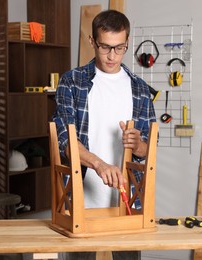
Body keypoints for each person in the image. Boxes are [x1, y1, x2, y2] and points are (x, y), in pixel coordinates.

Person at [53, 9, 156, 260]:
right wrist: (99, 164)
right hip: (81, 200)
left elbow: (148, 151)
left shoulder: (140, 89)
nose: (112, 56)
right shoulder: (72, 82)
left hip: (127, 202)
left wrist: (138, 144)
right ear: (92, 42)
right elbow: (65, 142)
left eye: (119, 48)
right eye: (105, 47)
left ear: (127, 43)